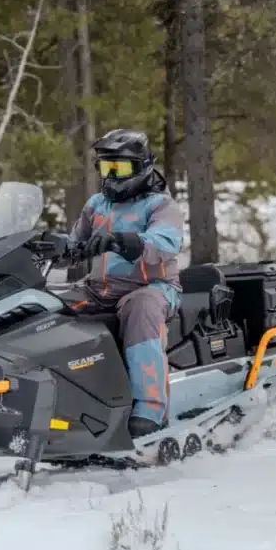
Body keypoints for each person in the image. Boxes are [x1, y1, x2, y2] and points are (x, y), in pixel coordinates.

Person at [62, 128, 184, 439]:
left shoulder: (160, 205)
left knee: (141, 310)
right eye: (107, 167)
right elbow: (74, 242)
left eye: (121, 168)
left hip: (152, 287)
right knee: (50, 311)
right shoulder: (96, 204)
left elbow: (165, 243)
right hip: (99, 289)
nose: (113, 176)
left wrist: (128, 241)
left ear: (143, 166)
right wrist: (54, 247)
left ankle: (149, 412)